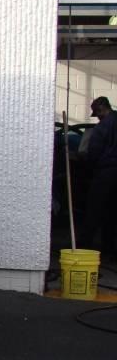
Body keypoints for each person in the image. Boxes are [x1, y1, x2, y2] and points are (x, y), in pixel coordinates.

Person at [80, 96, 117, 253]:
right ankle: (111, 250)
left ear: (101, 109)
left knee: (94, 212)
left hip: (104, 174)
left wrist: (85, 161)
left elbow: (93, 154)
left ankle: (84, 249)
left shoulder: (101, 129)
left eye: (98, 114)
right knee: (113, 214)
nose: (98, 117)